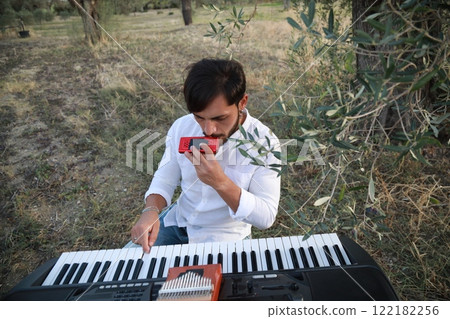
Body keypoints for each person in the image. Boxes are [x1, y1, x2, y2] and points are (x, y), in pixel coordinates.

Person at [130, 58, 281, 253]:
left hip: (225, 237)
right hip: (176, 223)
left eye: (220, 118)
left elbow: (266, 216)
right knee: (126, 275)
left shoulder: (264, 143)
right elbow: (165, 179)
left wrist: (220, 182)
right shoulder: (182, 126)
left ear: (242, 102)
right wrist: (150, 211)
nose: (208, 129)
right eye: (199, 117)